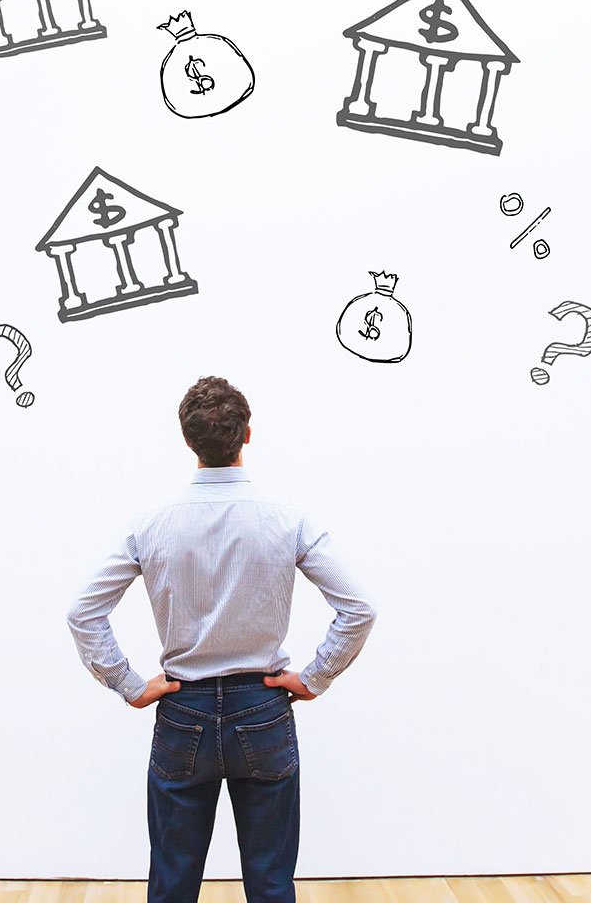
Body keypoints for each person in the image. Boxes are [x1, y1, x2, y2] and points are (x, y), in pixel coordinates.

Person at [66, 376, 377, 903]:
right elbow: (358, 608)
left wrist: (129, 684)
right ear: (247, 435)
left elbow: (83, 612)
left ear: (187, 441)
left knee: (171, 882)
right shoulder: (286, 519)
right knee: (272, 881)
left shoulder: (152, 524)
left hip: (182, 709)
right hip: (263, 706)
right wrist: (316, 677)